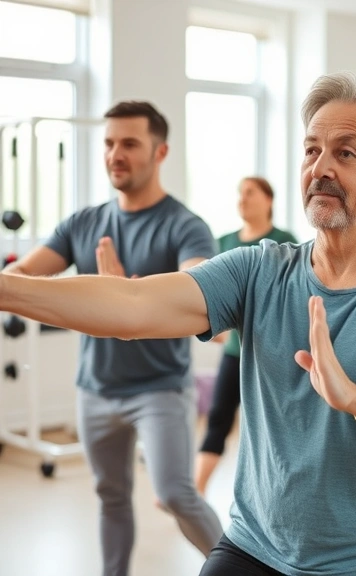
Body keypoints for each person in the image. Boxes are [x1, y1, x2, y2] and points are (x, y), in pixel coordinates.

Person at [0, 72, 356, 576]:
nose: (321, 167)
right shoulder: (258, 269)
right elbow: (135, 305)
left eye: (345, 152)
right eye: (311, 149)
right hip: (257, 548)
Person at [2, 101, 223, 576]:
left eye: (129, 143)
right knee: (111, 496)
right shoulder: (82, 222)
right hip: (95, 388)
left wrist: (128, 294)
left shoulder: (185, 227)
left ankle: (243, 570)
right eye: (108, 144)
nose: (114, 154)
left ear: (160, 151)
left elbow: (199, 291)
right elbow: (22, 277)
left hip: (160, 388)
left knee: (175, 494)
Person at [194, 176, 299, 496]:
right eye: (239, 194)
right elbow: (208, 291)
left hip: (274, 354)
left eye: (250, 193)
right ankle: (195, 491)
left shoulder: (283, 240)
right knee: (218, 419)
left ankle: (275, 492)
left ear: (269, 200)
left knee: (274, 427)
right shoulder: (224, 241)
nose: (242, 199)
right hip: (235, 352)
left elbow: (289, 296)